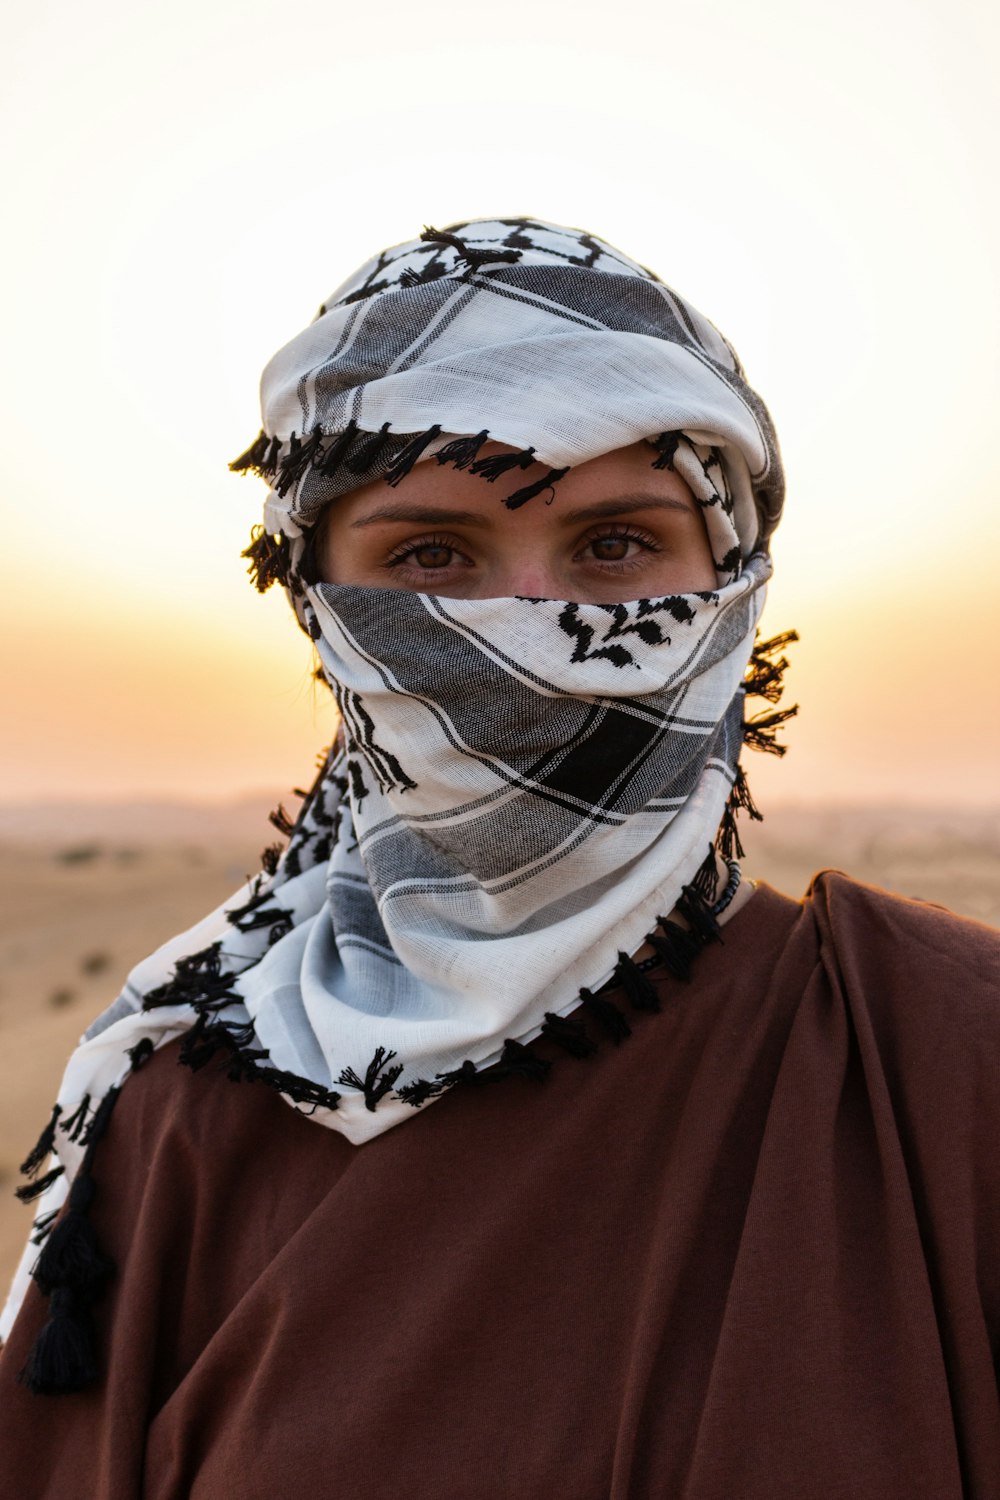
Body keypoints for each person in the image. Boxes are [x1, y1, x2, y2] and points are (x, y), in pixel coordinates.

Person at [0, 217, 998, 1499]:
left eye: (616, 545)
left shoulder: (945, 1061)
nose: (530, 624)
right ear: (319, 607)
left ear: (734, 581)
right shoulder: (185, 1119)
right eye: (430, 557)